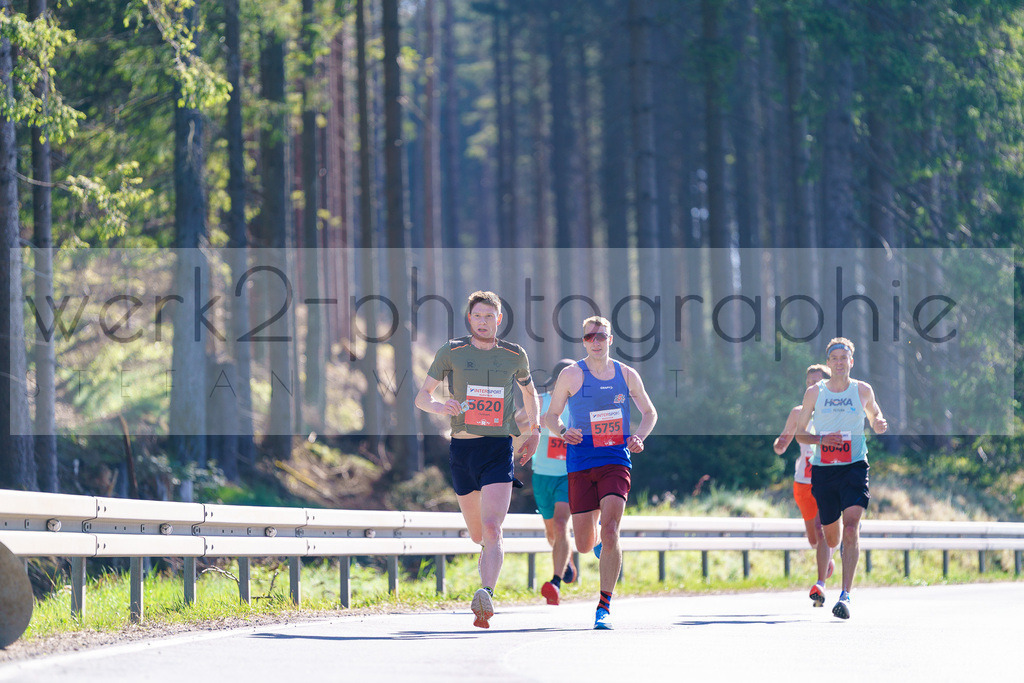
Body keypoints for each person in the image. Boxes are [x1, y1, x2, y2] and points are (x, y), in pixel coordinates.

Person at [414, 291, 542, 629]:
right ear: (470, 319)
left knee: (492, 526)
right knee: (477, 535)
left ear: (499, 319)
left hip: (498, 449)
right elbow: (422, 397)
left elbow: (530, 394)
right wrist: (442, 406)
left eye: (490, 316)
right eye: (478, 316)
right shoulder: (451, 352)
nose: (483, 322)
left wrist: (535, 432)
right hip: (462, 450)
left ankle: (485, 594)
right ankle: (487, 559)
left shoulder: (514, 354)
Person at [543, 316, 657, 630]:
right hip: (580, 462)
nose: (596, 341)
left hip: (615, 460)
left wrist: (638, 437)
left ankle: (603, 606)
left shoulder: (626, 374)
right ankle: (597, 548)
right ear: (583, 341)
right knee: (582, 543)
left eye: (602, 336)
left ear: (610, 339)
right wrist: (564, 430)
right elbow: (550, 416)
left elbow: (649, 412)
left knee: (610, 531)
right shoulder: (570, 374)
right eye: (590, 336)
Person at [795, 337, 888, 619]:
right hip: (824, 470)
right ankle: (830, 565)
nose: (838, 362)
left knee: (851, 528)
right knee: (830, 534)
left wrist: (879, 422)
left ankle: (845, 595)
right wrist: (821, 438)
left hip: (855, 466)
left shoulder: (862, 390)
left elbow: (875, 414)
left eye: (843, 358)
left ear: (851, 362)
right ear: (828, 363)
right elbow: (801, 433)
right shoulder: (814, 393)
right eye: (833, 358)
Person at [514, 359, 578, 606]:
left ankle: (555, 582)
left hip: (568, 475)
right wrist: (533, 413)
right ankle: (566, 560)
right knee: (552, 533)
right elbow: (518, 420)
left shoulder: (580, 404)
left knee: (562, 525)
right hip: (542, 476)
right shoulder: (541, 400)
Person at [773, 364, 836, 595]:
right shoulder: (798, 412)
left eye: (816, 383)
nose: (811, 387)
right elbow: (783, 441)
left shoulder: (836, 412)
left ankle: (821, 578)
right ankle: (826, 552)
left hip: (827, 477)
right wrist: (779, 446)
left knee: (821, 529)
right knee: (813, 537)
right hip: (803, 481)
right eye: (809, 383)